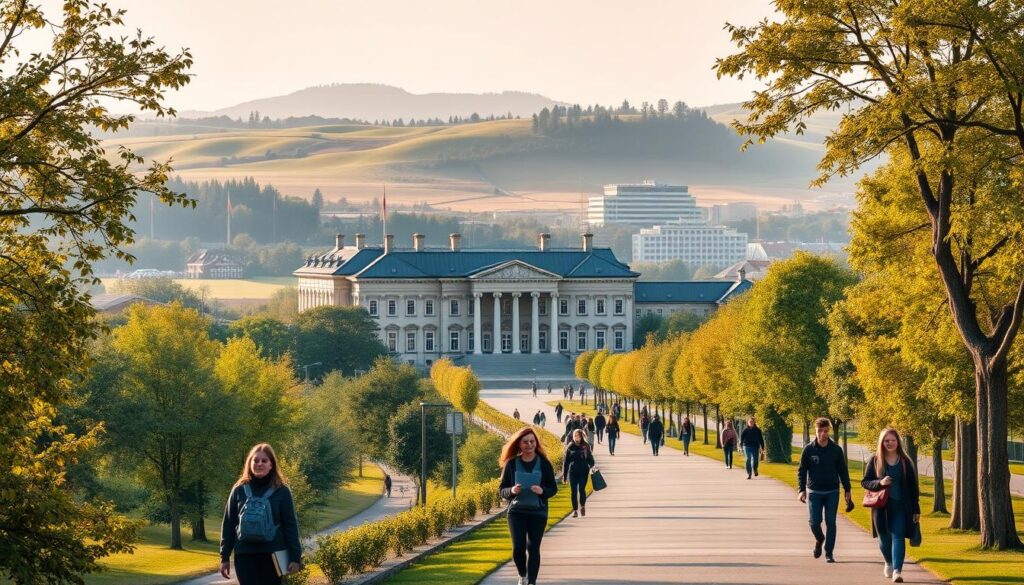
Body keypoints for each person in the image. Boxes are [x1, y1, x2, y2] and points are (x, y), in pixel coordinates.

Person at [220, 443, 302, 584]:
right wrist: (224, 557)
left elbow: (290, 525)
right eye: (255, 460)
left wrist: (295, 557)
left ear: (272, 465)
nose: (259, 464)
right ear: (249, 463)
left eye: (264, 461)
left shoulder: (282, 491)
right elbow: (229, 523)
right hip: (244, 555)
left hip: (273, 556)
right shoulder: (239, 489)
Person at [499, 427, 558, 585]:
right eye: (525, 442)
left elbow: (553, 488)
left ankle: (532, 582)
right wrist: (511, 490)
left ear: (536, 443)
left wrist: (542, 491)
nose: (529, 445)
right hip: (516, 512)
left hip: (538, 512)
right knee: (518, 548)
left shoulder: (544, 463)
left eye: (532, 441)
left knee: (533, 548)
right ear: (519, 444)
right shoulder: (511, 464)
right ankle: (522, 574)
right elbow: (502, 490)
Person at [862, 428, 921, 583]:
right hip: (881, 507)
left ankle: (897, 571)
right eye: (886, 440)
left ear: (898, 442)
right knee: (884, 538)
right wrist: (880, 483)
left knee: (898, 537)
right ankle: (888, 561)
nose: (890, 443)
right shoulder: (875, 460)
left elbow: (913, 487)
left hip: (901, 507)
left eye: (893, 440)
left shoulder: (905, 461)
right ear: (882, 442)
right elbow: (865, 482)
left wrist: (916, 509)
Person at [797, 417, 853, 564]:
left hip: (832, 492)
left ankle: (829, 552)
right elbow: (802, 471)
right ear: (815, 430)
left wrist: (847, 490)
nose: (822, 434)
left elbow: (843, 471)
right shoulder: (809, 449)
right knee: (814, 522)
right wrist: (801, 490)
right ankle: (819, 539)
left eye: (825, 431)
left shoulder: (836, 450)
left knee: (831, 522)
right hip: (814, 492)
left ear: (828, 431)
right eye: (819, 430)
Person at [562, 429, 596, 518]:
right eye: (575, 435)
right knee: (573, 492)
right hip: (573, 472)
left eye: (578, 435)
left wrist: (592, 464)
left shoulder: (585, 446)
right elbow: (566, 462)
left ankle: (583, 506)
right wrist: (564, 476)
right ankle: (575, 510)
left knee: (581, 489)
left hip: (583, 472)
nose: (576, 437)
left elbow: (590, 458)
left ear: (581, 436)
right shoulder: (570, 446)